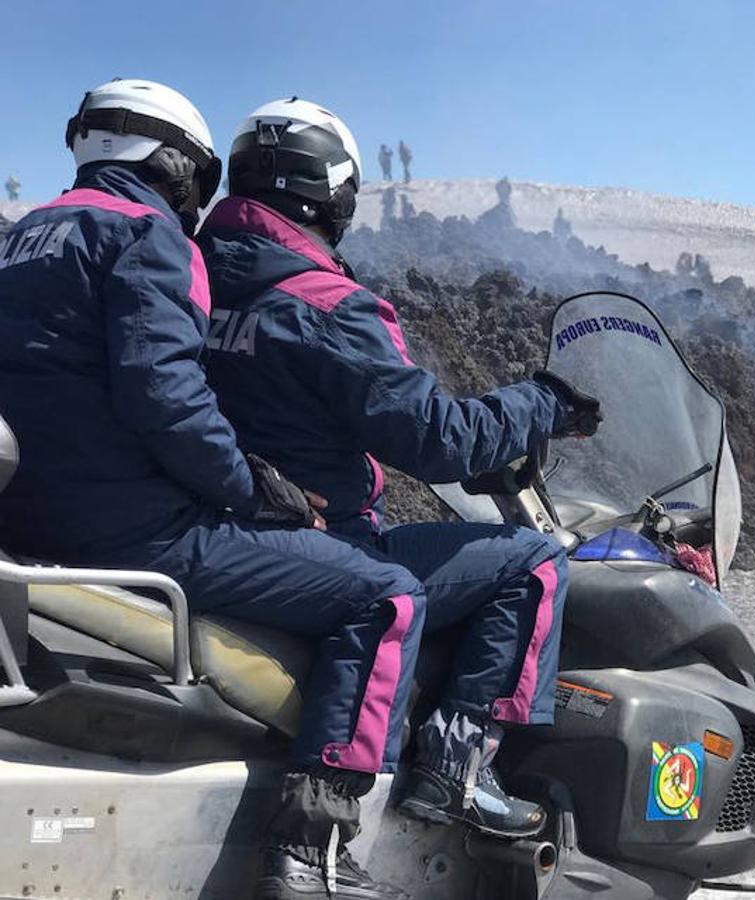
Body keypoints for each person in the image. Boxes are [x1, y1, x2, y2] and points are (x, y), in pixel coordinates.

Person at [0, 81, 425, 900]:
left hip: (30, 516)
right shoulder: (150, 237)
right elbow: (165, 399)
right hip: (136, 529)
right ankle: (314, 854)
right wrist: (249, 489)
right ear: (173, 163)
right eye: (196, 176)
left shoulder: (24, 238)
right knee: (389, 596)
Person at [199, 98, 602, 848]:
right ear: (334, 191)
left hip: (213, 530)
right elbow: (441, 441)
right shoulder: (326, 305)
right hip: (325, 541)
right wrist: (542, 402)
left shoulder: (188, 281)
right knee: (534, 562)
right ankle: (459, 768)